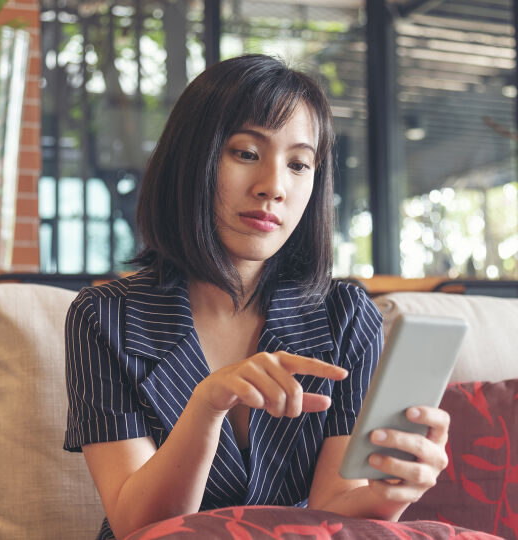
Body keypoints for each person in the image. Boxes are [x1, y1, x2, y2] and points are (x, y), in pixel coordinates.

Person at [64, 54, 449, 540]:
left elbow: (333, 511)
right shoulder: (105, 317)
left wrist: (394, 490)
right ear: (193, 158)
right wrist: (207, 405)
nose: (273, 187)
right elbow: (137, 525)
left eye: (298, 164)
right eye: (247, 153)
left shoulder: (345, 316)